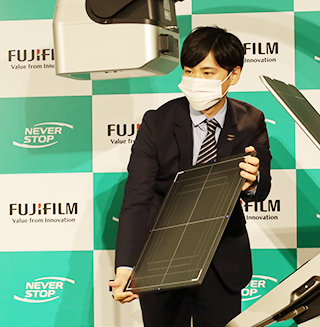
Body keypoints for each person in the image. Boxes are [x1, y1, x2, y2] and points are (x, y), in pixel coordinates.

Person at [109, 26, 272, 327]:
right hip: (161, 259)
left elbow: (262, 187)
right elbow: (137, 197)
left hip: (221, 261)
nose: (196, 80)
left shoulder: (251, 120)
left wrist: (252, 182)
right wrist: (126, 267)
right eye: (189, 71)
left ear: (233, 75)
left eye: (208, 73)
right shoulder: (158, 122)